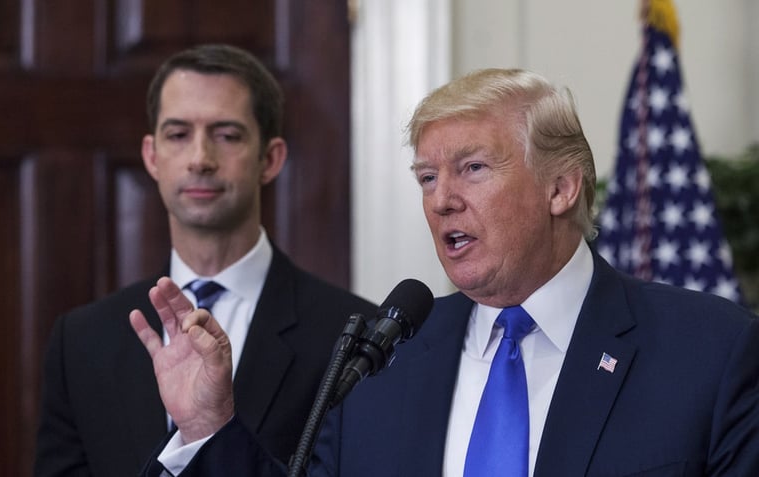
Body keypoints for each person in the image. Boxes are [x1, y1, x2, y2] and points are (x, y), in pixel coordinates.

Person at [132, 68, 759, 477]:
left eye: (473, 169)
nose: (442, 199)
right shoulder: (384, 362)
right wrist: (208, 427)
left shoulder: (711, 350)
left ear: (561, 187)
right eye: (428, 178)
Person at [32, 44, 377, 477]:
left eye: (227, 135)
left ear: (270, 159)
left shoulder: (353, 335)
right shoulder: (81, 341)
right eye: (178, 135)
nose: (200, 159)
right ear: (151, 156)